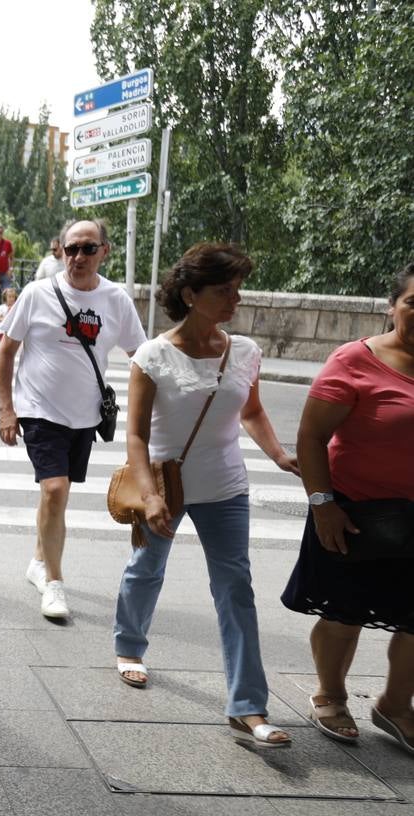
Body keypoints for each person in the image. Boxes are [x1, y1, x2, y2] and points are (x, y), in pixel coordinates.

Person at [112, 243, 299, 749]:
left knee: (236, 588)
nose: (234, 300)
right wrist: (149, 496)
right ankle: (129, 646)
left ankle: (247, 707)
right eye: (224, 290)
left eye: (237, 289)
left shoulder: (244, 352)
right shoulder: (153, 355)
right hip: (165, 484)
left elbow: (253, 412)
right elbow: (135, 435)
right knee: (146, 568)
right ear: (191, 294)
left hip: (226, 487)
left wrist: (280, 454)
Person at [282, 262, 414, 754]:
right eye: (413, 302)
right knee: (344, 614)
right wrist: (323, 505)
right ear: (392, 307)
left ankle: (396, 705)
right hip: (354, 513)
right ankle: (331, 694)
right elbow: (312, 436)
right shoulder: (355, 360)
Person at [0, 220, 147, 620]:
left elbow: (141, 359)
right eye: (71, 249)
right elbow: (6, 352)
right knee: (55, 489)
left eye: (87, 248)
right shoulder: (37, 294)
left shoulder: (116, 300)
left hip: (85, 416)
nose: (78, 257)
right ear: (60, 251)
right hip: (39, 410)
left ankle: (38, 560)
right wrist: (6, 409)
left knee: (56, 495)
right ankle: (55, 584)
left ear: (104, 251)